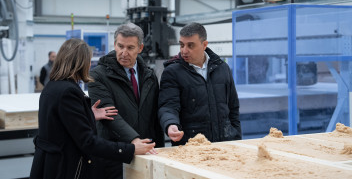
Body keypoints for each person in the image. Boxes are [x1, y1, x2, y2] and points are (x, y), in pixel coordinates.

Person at [29, 39, 155, 179]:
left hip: (50, 166)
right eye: (88, 60)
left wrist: (86, 114)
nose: (90, 65)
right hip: (64, 168)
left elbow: (61, 123)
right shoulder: (68, 92)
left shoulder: (52, 87)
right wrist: (129, 149)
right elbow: (87, 142)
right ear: (80, 63)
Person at [88, 23, 164, 179]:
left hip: (146, 153)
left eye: (130, 48)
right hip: (114, 153)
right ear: (114, 44)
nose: (124, 52)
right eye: (120, 46)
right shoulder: (98, 75)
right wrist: (134, 141)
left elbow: (154, 116)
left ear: (140, 48)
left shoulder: (149, 75)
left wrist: (158, 147)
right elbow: (110, 114)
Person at [158, 22, 242, 146]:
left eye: (190, 45)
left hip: (225, 144)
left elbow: (233, 106)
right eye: (181, 45)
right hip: (191, 147)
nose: (184, 51)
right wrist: (171, 124)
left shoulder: (222, 68)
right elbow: (168, 106)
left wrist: (236, 135)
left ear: (204, 45)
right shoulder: (172, 72)